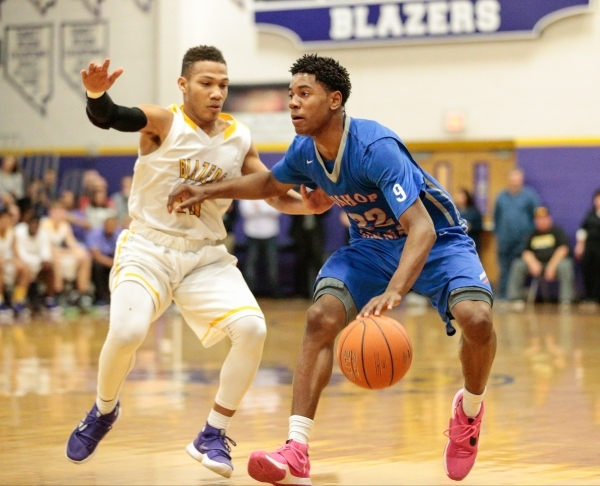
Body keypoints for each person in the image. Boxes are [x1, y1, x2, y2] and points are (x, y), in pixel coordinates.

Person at [168, 54, 496, 483]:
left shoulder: (375, 147)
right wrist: (205, 191)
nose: (293, 103)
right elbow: (269, 184)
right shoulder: (305, 151)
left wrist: (395, 290)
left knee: (477, 318)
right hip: (370, 248)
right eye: (290, 95)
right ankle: (297, 448)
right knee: (320, 317)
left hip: (439, 242)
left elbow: (422, 229)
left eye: (304, 94)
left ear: (335, 100)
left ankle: (468, 414)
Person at [65, 47, 331, 479]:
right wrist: (96, 96)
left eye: (223, 85)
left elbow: (269, 190)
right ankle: (103, 410)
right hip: (149, 248)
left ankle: (213, 432)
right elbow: (114, 115)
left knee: (252, 329)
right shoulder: (163, 122)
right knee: (129, 331)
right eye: (207, 83)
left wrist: (309, 207)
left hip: (204, 256)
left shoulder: (238, 136)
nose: (216, 92)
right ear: (184, 84)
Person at [506, 206, 574, 307]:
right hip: (537, 265)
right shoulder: (532, 234)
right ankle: (514, 299)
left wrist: (552, 266)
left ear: (549, 219)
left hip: (554, 264)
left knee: (566, 265)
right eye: (538, 219)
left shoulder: (557, 232)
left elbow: (563, 249)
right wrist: (533, 263)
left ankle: (566, 300)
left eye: (544, 218)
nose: (541, 221)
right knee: (518, 264)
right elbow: (526, 252)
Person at [493, 168, 540, 299]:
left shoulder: (530, 196)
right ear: (509, 180)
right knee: (504, 268)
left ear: (521, 180)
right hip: (504, 239)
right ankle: (502, 296)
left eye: (517, 179)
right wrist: (498, 234)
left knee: (517, 269)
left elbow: (536, 215)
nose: (515, 182)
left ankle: (515, 296)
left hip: (522, 240)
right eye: (512, 179)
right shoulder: (501, 196)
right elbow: (496, 217)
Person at [41, 200, 93, 310]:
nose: (59, 214)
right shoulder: (44, 223)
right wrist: (66, 252)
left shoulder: (64, 225)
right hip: (45, 253)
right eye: (56, 211)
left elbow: (72, 244)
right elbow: (46, 246)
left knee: (85, 257)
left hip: (60, 252)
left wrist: (77, 252)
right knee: (56, 259)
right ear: (50, 212)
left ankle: (82, 293)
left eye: (61, 211)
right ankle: (58, 294)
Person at [239, 199, 281, 297]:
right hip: (252, 233)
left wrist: (259, 208)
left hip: (270, 233)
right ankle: (249, 291)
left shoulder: (272, 194)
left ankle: (275, 292)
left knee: (272, 264)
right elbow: (246, 212)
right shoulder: (248, 195)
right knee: (250, 264)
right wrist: (266, 209)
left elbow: (276, 211)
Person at [0, 207, 31, 318]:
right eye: (2, 219)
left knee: (25, 268)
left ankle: (18, 300)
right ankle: (1, 301)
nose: (5, 221)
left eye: (7, 219)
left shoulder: (11, 233)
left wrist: (18, 261)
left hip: (5, 261)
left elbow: (16, 253)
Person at [85, 216, 120, 305]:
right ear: (104, 225)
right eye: (109, 225)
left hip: (112, 261)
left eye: (113, 225)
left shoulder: (118, 235)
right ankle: (100, 298)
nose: (111, 227)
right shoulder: (95, 234)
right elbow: (96, 255)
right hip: (99, 262)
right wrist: (112, 264)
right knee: (98, 267)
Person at [574, 188, 600, 306]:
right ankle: (590, 298)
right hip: (590, 247)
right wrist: (580, 246)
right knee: (589, 270)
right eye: (597, 198)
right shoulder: (590, 215)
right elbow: (582, 231)